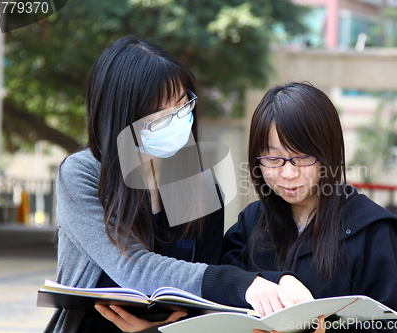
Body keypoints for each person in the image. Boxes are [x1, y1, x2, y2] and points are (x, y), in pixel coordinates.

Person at [44, 37, 313, 333]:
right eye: (159, 112)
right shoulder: (84, 174)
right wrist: (243, 285)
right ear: (120, 117)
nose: (176, 119)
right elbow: (133, 266)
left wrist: (276, 280)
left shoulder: (199, 185)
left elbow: (202, 300)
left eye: (182, 103)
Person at [222, 82, 397, 333]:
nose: (288, 173)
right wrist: (270, 283)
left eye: (302, 158)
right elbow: (219, 288)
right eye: (272, 159)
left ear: (329, 154)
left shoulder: (372, 231)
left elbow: (388, 326)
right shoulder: (251, 223)